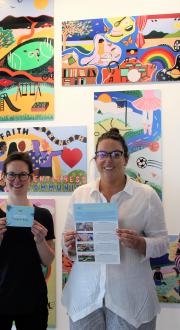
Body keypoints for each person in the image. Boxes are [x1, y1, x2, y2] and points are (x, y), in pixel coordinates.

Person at [62, 127, 168, 330]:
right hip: (86, 298)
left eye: (115, 154)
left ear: (125, 159)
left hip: (130, 300)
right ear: (95, 159)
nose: (108, 160)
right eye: (102, 154)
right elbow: (68, 244)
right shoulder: (81, 194)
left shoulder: (146, 195)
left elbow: (162, 243)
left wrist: (141, 243)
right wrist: (71, 246)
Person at [0, 152, 55, 330]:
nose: (17, 180)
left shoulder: (43, 215)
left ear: (31, 178)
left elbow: (48, 261)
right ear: (4, 178)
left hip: (33, 298)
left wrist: (40, 241)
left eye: (23, 174)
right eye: (11, 174)